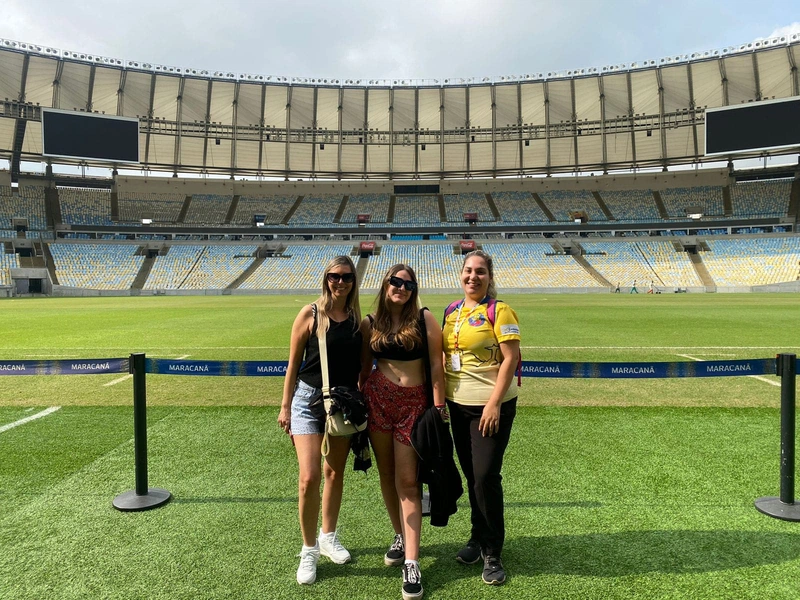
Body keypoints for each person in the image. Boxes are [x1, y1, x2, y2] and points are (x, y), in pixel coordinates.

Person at [360, 264, 446, 600]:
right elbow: (363, 369)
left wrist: (438, 409)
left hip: (414, 404)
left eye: (408, 284)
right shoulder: (370, 323)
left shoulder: (424, 319)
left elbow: (437, 366)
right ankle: (399, 535)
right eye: (396, 282)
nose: (401, 288)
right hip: (378, 401)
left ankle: (412, 561)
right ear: (385, 286)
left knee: (408, 482)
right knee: (387, 474)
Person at [278, 255, 365, 585]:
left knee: (334, 472)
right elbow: (292, 365)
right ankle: (309, 549)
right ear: (325, 278)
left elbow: (363, 366)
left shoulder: (358, 320)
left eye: (346, 277)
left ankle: (328, 536)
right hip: (305, 400)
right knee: (309, 477)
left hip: (340, 405)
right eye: (333, 276)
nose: (339, 281)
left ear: (353, 282)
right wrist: (285, 407)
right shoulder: (310, 314)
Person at [442, 249, 521, 587]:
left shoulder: (500, 311)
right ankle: (477, 536)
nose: (473, 277)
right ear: (460, 275)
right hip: (456, 406)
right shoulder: (451, 311)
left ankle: (492, 551)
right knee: (472, 474)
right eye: (468, 271)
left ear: (490, 277)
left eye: (480, 272)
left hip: (491, 406)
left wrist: (493, 403)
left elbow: (511, 358)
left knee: (486, 475)